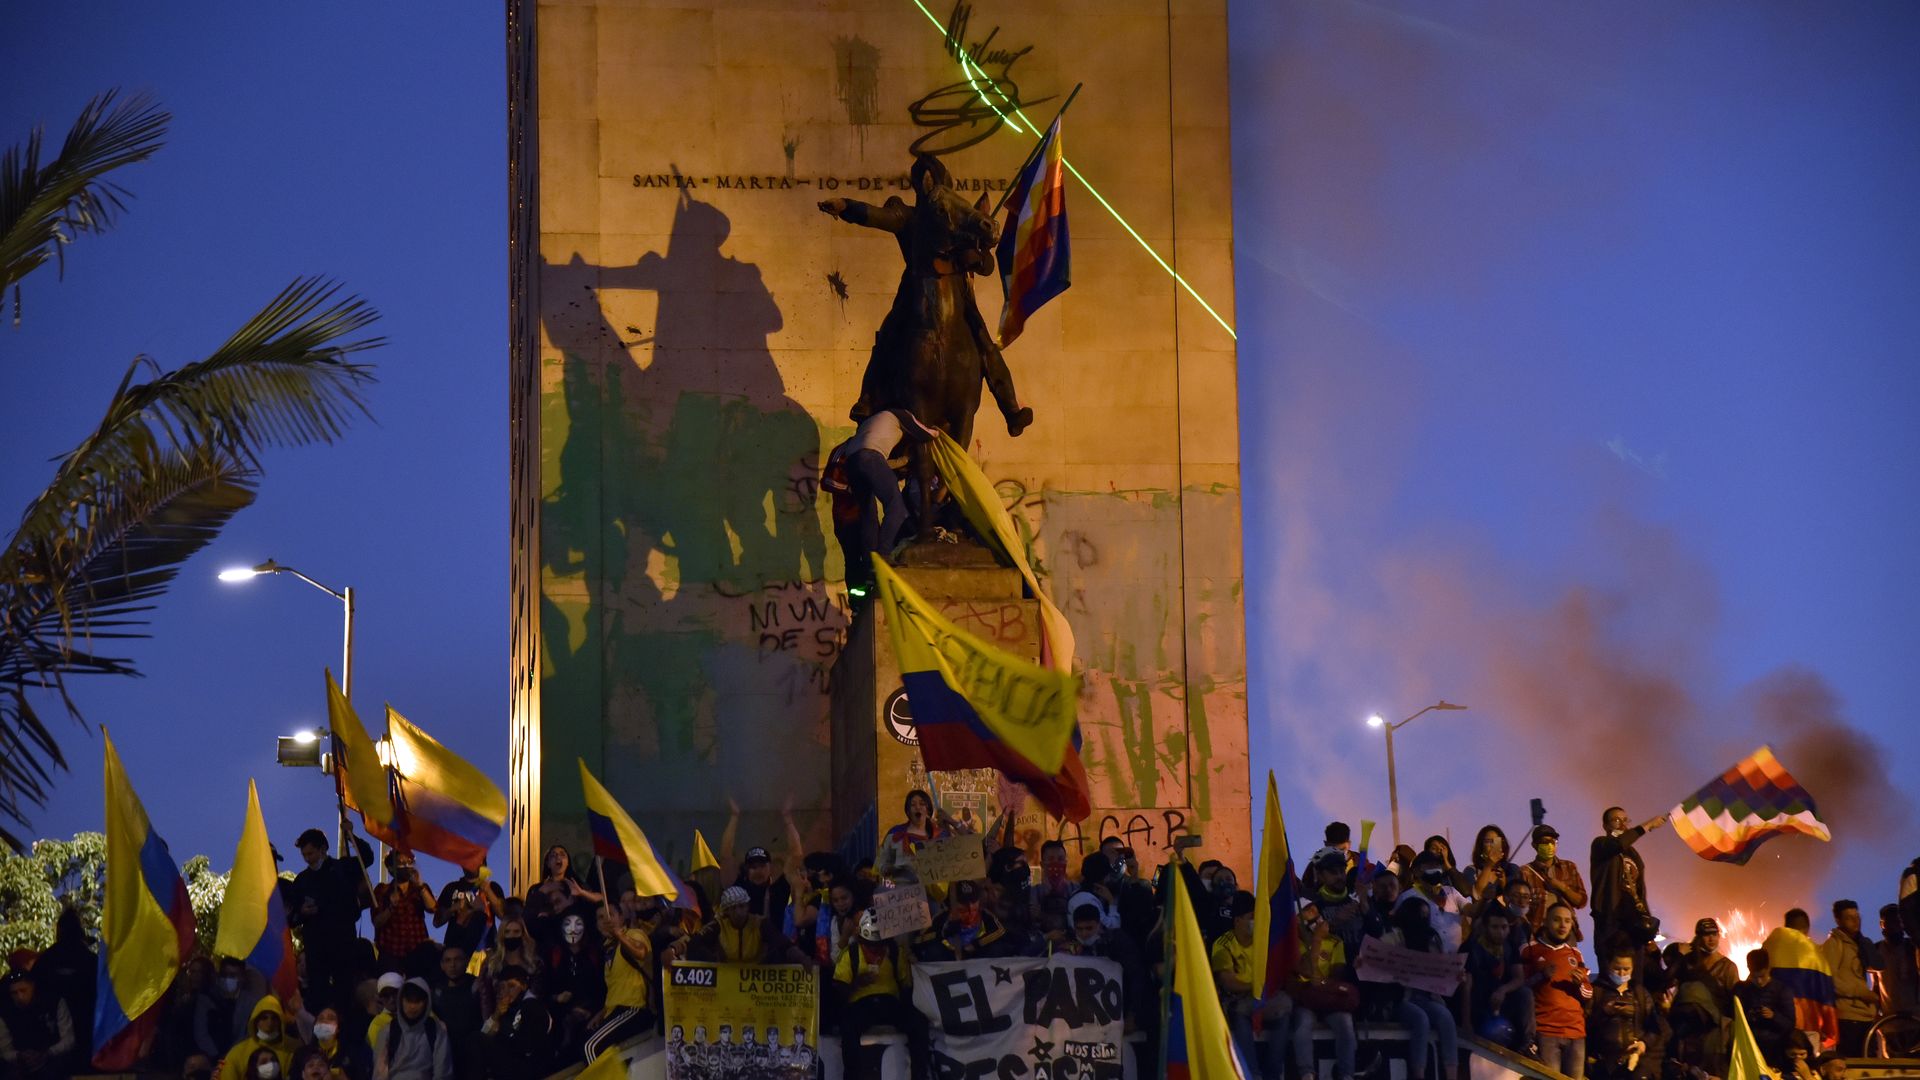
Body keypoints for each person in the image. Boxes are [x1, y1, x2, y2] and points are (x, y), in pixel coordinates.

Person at [834, 910, 930, 1080]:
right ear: (862, 938)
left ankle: (920, 1075)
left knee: (919, 1023)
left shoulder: (894, 951)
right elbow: (838, 988)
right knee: (847, 1027)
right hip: (861, 1004)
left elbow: (905, 983)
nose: (875, 948)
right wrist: (857, 983)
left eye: (879, 944)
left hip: (890, 1002)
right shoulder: (851, 953)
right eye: (870, 944)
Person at [287, 829, 373, 1013]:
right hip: (316, 948)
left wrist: (351, 835)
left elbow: (367, 856)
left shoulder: (343, 868)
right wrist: (302, 912)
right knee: (317, 995)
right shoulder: (302, 881)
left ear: (323, 849)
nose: (308, 859)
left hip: (343, 943)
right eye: (304, 855)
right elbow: (292, 916)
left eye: (311, 853)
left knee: (345, 993)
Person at [1380, 897, 1460, 1080]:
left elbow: (1440, 969)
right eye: (1418, 915)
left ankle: (1452, 1074)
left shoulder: (1431, 938)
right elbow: (1377, 958)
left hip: (1427, 996)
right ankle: (1419, 1073)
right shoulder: (1393, 937)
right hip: (1401, 997)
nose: (1422, 919)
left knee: (1446, 1018)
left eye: (1425, 915)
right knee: (1420, 1019)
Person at [1209, 891, 1280, 1078]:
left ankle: (1273, 1072)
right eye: (1251, 918)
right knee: (1240, 1013)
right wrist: (1255, 988)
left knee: (1286, 1007)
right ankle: (1253, 1074)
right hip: (1237, 1000)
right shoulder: (1222, 945)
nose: (1255, 922)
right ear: (1238, 920)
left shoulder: (1264, 942)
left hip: (1264, 999)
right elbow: (1228, 981)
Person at [1525, 903, 1593, 1079]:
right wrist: (1541, 976)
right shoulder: (1530, 950)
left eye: (1567, 921)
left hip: (1576, 1032)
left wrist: (1580, 984)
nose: (1563, 925)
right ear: (1546, 922)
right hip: (1547, 1031)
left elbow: (1588, 994)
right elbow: (1521, 988)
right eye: (1557, 920)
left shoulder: (1576, 954)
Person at [1292, 899, 1359, 1080]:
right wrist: (1316, 940)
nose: (1314, 911)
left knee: (1345, 1023)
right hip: (1305, 1000)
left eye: (1314, 907)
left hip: (1329, 998)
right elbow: (1307, 971)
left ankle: (1347, 1075)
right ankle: (1307, 1074)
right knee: (1302, 1025)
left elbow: (1336, 975)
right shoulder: (1291, 945)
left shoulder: (1335, 942)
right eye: (1307, 910)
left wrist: (1321, 984)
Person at [1588, 808, 1666, 955]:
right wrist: (1647, 826)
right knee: (1612, 970)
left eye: (1625, 820)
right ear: (1605, 826)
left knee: (1636, 973)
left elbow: (1640, 892)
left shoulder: (1633, 854)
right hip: (1611, 921)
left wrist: (1648, 927)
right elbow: (1616, 844)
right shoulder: (1600, 844)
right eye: (1616, 820)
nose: (1622, 824)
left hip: (1634, 923)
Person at [583, 907, 654, 1062]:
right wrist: (602, 1012)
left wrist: (619, 934)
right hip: (613, 1011)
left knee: (591, 1047)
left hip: (633, 1007)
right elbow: (616, 988)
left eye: (610, 915)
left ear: (622, 918)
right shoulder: (607, 947)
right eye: (600, 918)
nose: (605, 921)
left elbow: (641, 952)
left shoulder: (633, 934)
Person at [1461, 908, 1534, 1053]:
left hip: (1501, 999)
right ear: (1485, 927)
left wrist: (1503, 990)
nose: (1500, 932)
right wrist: (1466, 1023)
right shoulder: (1471, 948)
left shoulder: (1509, 946)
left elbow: (1519, 977)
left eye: (1504, 927)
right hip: (1479, 1002)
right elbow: (1465, 987)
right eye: (1495, 927)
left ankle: (1527, 1045)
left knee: (1525, 994)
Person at [679, 886, 809, 965]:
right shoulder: (718, 925)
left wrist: (800, 956)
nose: (738, 912)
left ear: (748, 906)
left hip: (754, 977)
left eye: (742, 906)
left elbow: (780, 941)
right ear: (726, 911)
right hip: (727, 977)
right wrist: (675, 949)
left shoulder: (759, 923)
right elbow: (695, 940)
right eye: (733, 908)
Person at [1587, 949, 1664, 1080]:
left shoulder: (1640, 993)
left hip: (1635, 1060)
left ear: (1633, 968)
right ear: (1608, 965)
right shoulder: (1597, 991)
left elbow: (1654, 1027)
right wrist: (1604, 1012)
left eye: (1626, 969)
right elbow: (1585, 1024)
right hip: (1605, 1063)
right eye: (1617, 969)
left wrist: (1643, 1043)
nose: (1622, 973)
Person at [541, 912, 605, 1058]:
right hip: (561, 1014)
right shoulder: (554, 955)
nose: (573, 929)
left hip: (591, 1012)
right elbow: (545, 990)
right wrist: (558, 998)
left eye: (578, 924)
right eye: (567, 924)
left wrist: (592, 1010)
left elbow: (602, 987)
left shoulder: (594, 953)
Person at [0, 969, 75, 1079]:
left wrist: (48, 1053)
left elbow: (69, 1040)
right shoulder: (5, 1012)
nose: (19, 997)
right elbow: (5, 1049)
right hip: (21, 1067)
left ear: (32, 986)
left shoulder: (53, 1002)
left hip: (54, 1063)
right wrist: (20, 1056)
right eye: (14, 993)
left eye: (23, 990)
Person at [480, 966, 552, 1080]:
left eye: (512, 986)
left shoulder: (532, 1007)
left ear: (524, 986)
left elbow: (526, 1047)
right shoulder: (505, 1009)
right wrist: (496, 1016)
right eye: (502, 987)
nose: (506, 991)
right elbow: (482, 1038)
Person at [1519, 825, 1587, 945]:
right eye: (1545, 842)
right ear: (1534, 845)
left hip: (1566, 931)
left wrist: (1562, 887)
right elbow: (1521, 908)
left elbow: (1581, 901)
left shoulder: (1569, 867)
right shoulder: (1526, 871)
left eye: (1553, 841)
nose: (1550, 845)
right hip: (1538, 932)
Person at [372, 852, 438, 972]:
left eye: (409, 862)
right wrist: (391, 907)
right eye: (402, 863)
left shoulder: (419, 888)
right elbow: (376, 921)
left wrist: (421, 886)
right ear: (391, 868)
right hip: (391, 952)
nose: (407, 866)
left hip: (417, 952)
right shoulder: (383, 890)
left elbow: (433, 908)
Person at [371, 978, 449, 1080]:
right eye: (408, 1000)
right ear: (401, 1000)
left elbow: (442, 1072)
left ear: (426, 1002)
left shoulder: (436, 1030)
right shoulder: (388, 1030)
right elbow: (379, 1073)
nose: (412, 1006)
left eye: (417, 1001)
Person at [913, 880, 1010, 961]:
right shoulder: (941, 919)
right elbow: (921, 939)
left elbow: (999, 931)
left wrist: (976, 944)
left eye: (974, 905)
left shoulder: (986, 916)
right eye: (963, 908)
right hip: (950, 960)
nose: (970, 909)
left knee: (996, 949)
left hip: (978, 958)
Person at [1737, 949, 1798, 1067]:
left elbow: (1790, 1023)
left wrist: (1773, 1016)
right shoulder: (1742, 989)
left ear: (1768, 969)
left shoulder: (1781, 990)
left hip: (1774, 1047)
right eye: (1755, 977)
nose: (1759, 981)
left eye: (1762, 976)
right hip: (1748, 1045)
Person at [430, 945, 482, 1079]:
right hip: (446, 1054)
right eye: (447, 960)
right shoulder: (436, 991)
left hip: (473, 1055)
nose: (452, 965)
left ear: (466, 962)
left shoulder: (477, 987)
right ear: (442, 965)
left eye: (457, 959)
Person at [1672, 917, 1740, 1020]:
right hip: (1689, 1022)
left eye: (1714, 934)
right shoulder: (1689, 962)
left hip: (1716, 1023)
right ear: (1698, 938)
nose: (1711, 939)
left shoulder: (1728, 967)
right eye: (1707, 935)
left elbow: (1735, 1000)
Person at [437, 863, 508, 958]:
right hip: (456, 952)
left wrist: (488, 891)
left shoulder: (493, 887)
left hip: (487, 952)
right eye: (466, 860)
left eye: (474, 860)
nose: (470, 864)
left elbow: (503, 915)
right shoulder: (451, 888)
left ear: (483, 863)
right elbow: (436, 922)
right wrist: (453, 908)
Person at [875, 790, 947, 884]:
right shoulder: (895, 834)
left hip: (930, 894)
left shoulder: (939, 836)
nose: (918, 807)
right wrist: (891, 868)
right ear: (908, 812)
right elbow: (880, 863)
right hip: (902, 893)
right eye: (913, 805)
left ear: (928, 810)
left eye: (922, 804)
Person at [217, 995, 296, 1080]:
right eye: (264, 1018)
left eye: (274, 1018)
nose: (269, 1023)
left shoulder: (294, 1049)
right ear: (255, 1021)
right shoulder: (237, 1053)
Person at [479, 916, 542, 1019]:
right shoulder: (491, 965)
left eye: (516, 932)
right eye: (507, 932)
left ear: (522, 934)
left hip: (527, 1019)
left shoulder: (535, 964)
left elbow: (537, 995)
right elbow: (485, 999)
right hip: (497, 1021)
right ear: (501, 935)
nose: (511, 936)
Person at [730, 846, 793, 923]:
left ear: (770, 867)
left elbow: (796, 856)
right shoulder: (738, 890)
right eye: (753, 867)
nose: (758, 871)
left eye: (762, 866)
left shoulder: (779, 889)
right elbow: (726, 857)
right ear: (746, 869)